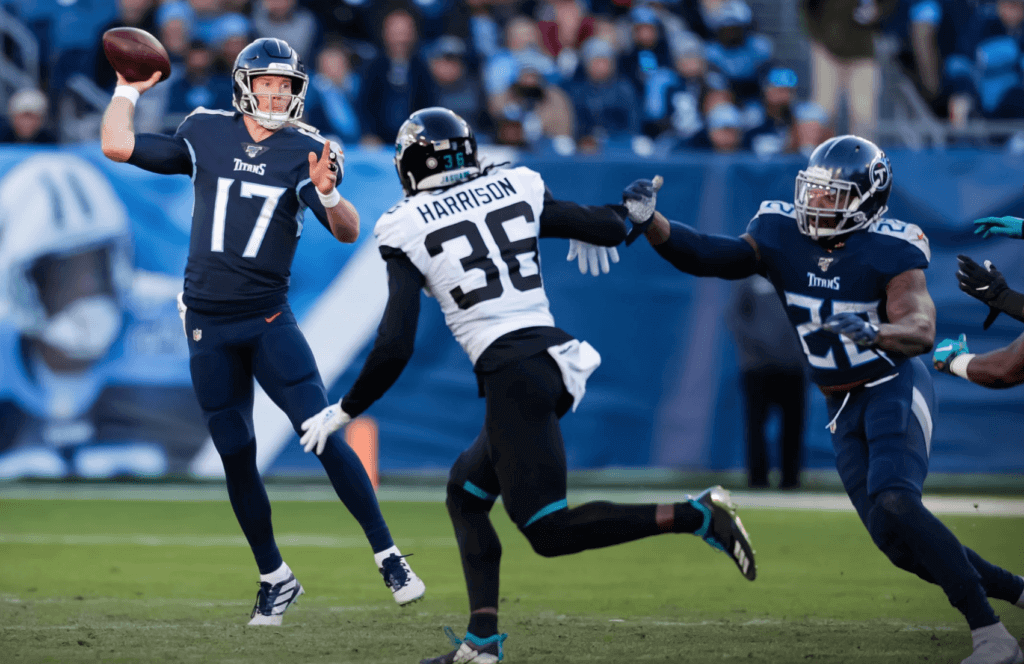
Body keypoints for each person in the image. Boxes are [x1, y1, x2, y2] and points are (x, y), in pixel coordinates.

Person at [299, 107, 758, 664]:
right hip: (541, 359)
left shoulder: (404, 222)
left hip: (514, 372)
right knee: (466, 493)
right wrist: (634, 211)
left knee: (547, 529)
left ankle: (697, 515)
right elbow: (607, 225)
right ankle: (482, 643)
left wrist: (345, 409)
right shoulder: (513, 183)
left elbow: (396, 345)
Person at [627, 135, 1024, 664]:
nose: (816, 204)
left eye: (832, 196)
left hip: (891, 385)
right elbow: (709, 256)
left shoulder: (892, 249)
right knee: (897, 544)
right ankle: (1019, 591)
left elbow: (922, 328)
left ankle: (992, 635)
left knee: (898, 499)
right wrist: (654, 222)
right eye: (812, 192)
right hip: (840, 403)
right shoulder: (777, 232)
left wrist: (875, 332)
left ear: (868, 199)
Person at [99, 37, 424, 626]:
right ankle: (275, 576)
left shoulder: (306, 149)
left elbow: (347, 230)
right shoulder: (204, 129)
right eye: (268, 83)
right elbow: (117, 145)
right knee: (236, 455)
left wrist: (330, 193)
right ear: (246, 84)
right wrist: (126, 89)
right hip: (206, 323)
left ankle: (389, 555)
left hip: (267, 318)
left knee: (321, 430)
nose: (277, 94)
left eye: (286, 86)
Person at [726, 275, 808, 489]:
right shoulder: (748, 276)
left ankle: (791, 480)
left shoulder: (796, 274)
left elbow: (811, 315)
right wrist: (757, 346)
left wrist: (801, 351)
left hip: (793, 366)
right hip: (756, 367)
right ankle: (757, 480)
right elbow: (735, 316)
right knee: (756, 425)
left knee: (793, 426)